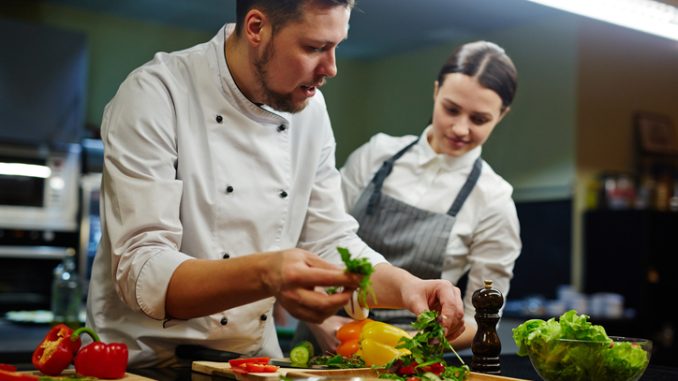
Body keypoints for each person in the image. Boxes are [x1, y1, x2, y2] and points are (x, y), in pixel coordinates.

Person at [86, 0, 466, 368]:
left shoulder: (311, 110)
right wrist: (268, 273)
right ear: (256, 28)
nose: (332, 68)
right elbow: (143, 269)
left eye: (337, 46)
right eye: (315, 47)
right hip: (142, 364)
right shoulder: (156, 94)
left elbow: (331, 240)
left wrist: (406, 287)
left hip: (251, 364)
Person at [298, 40, 521, 352]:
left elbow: (481, 319)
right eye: (451, 109)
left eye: (479, 119)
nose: (460, 128)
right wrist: (318, 322)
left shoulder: (494, 201)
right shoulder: (376, 156)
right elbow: (313, 240)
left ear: (502, 115)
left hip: (409, 355)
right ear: (435, 92)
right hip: (324, 337)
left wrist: (409, 345)